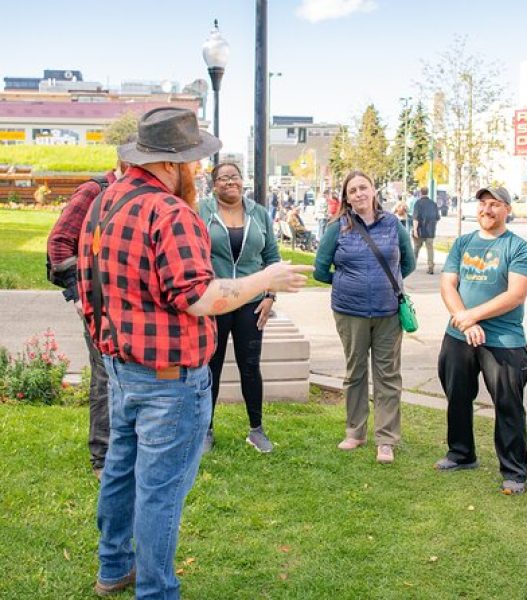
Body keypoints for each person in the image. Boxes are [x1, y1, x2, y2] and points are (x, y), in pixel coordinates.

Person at [78, 107, 311, 599]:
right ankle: (156, 589)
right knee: (159, 492)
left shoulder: (104, 202)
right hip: (167, 380)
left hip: (121, 368)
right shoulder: (171, 212)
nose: (199, 170)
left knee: (121, 469)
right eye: (193, 160)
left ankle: (113, 566)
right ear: (169, 163)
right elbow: (200, 297)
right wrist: (264, 280)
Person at [435, 186, 527, 495]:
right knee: (458, 396)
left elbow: (515, 294)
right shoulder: (463, 243)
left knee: (508, 405)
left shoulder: (517, 247)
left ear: (507, 210)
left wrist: (472, 316)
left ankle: (514, 471)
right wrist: (465, 322)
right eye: (482, 204)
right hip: (459, 335)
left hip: (504, 341)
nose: (487, 210)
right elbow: (448, 284)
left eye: (495, 205)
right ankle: (461, 454)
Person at [313, 170, 415, 464]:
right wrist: (348, 282)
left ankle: (386, 439)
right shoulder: (337, 228)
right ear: (346, 197)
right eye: (352, 190)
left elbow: (406, 263)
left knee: (388, 375)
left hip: (388, 312)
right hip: (350, 312)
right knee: (355, 372)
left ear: (373, 191)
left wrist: (384, 283)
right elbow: (321, 270)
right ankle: (355, 432)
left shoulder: (393, 224)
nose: (358, 194)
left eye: (363, 188)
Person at [47, 143, 132, 479]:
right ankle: (103, 457)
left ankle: (122, 449)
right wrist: (81, 295)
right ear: (126, 160)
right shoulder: (96, 189)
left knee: (122, 373)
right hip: (96, 301)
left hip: (125, 304)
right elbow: (58, 243)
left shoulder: (132, 193)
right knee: (104, 374)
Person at [199, 161, 280, 455]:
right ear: (214, 184)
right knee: (212, 366)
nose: (228, 182)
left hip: (252, 302)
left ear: (242, 180)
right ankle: (205, 430)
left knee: (250, 365)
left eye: (233, 177)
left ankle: (256, 430)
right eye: (222, 178)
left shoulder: (258, 214)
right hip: (215, 300)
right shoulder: (202, 212)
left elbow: (272, 255)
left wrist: (270, 295)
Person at [413, 186, 440, 274]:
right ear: (427, 192)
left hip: (420, 230)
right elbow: (437, 217)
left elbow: (415, 218)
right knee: (430, 248)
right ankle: (430, 266)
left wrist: (415, 230)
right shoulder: (433, 203)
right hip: (430, 231)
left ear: (420, 192)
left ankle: (412, 265)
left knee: (416, 248)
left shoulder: (418, 203)